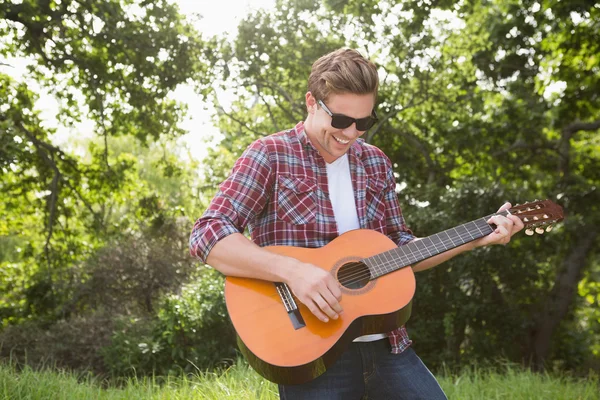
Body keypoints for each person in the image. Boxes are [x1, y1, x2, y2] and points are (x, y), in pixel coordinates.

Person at [189, 48, 523, 400]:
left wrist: (474, 238)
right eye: (341, 120)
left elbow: (401, 248)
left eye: (363, 123)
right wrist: (293, 271)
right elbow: (208, 234)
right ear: (311, 102)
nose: (351, 133)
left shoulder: (375, 162)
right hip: (311, 348)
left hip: (389, 345)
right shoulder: (270, 155)